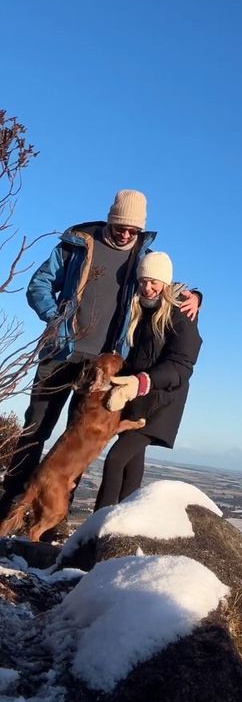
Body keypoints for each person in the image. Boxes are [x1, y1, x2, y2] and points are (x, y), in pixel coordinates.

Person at [0, 191, 201, 521]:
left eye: (132, 230)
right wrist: (58, 319)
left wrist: (198, 296)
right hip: (61, 354)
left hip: (105, 369)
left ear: (140, 231)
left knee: (79, 445)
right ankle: (9, 505)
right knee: (35, 429)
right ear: (109, 218)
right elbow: (39, 284)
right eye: (120, 226)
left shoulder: (141, 256)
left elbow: (162, 283)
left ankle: (50, 522)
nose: (125, 234)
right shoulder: (78, 243)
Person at [94, 251, 201, 509]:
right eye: (143, 281)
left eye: (154, 281)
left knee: (116, 459)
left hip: (161, 403)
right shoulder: (140, 310)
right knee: (131, 465)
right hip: (138, 399)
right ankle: (126, 522)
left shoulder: (180, 315)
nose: (148, 287)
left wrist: (142, 381)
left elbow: (182, 365)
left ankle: (97, 527)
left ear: (165, 282)